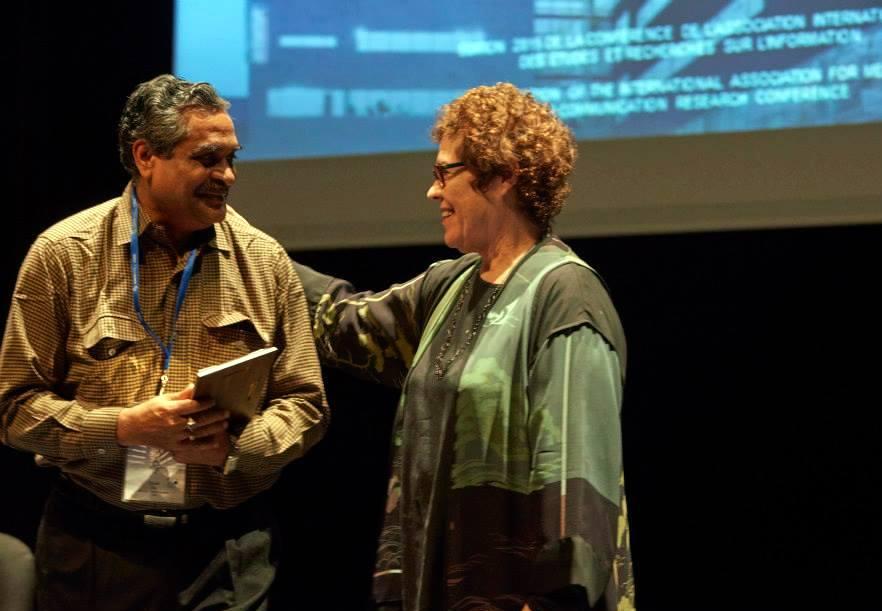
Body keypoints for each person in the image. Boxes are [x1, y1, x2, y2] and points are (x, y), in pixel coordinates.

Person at [294, 83, 634, 610]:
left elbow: (577, 473)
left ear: (502, 177)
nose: (433, 192)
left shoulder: (565, 294)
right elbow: (344, 321)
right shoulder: (449, 285)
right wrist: (247, 249)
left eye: (444, 173)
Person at [0, 74, 328, 610]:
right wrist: (124, 427)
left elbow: (307, 404)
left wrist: (239, 448)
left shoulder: (264, 260)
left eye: (232, 158)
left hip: (226, 546)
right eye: (207, 159)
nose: (227, 175)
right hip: (96, 544)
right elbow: (13, 410)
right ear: (146, 155)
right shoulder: (63, 254)